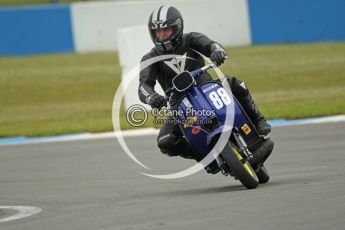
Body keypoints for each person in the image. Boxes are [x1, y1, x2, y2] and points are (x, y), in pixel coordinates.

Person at [138, 5, 271, 162]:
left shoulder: (192, 38)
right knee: (165, 141)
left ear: (177, 28)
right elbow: (143, 86)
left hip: (207, 87)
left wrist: (217, 53)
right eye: (157, 32)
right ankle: (204, 158)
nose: (161, 35)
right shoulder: (149, 58)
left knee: (234, 83)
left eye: (165, 30)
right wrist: (152, 97)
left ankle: (258, 120)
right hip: (178, 104)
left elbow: (212, 45)